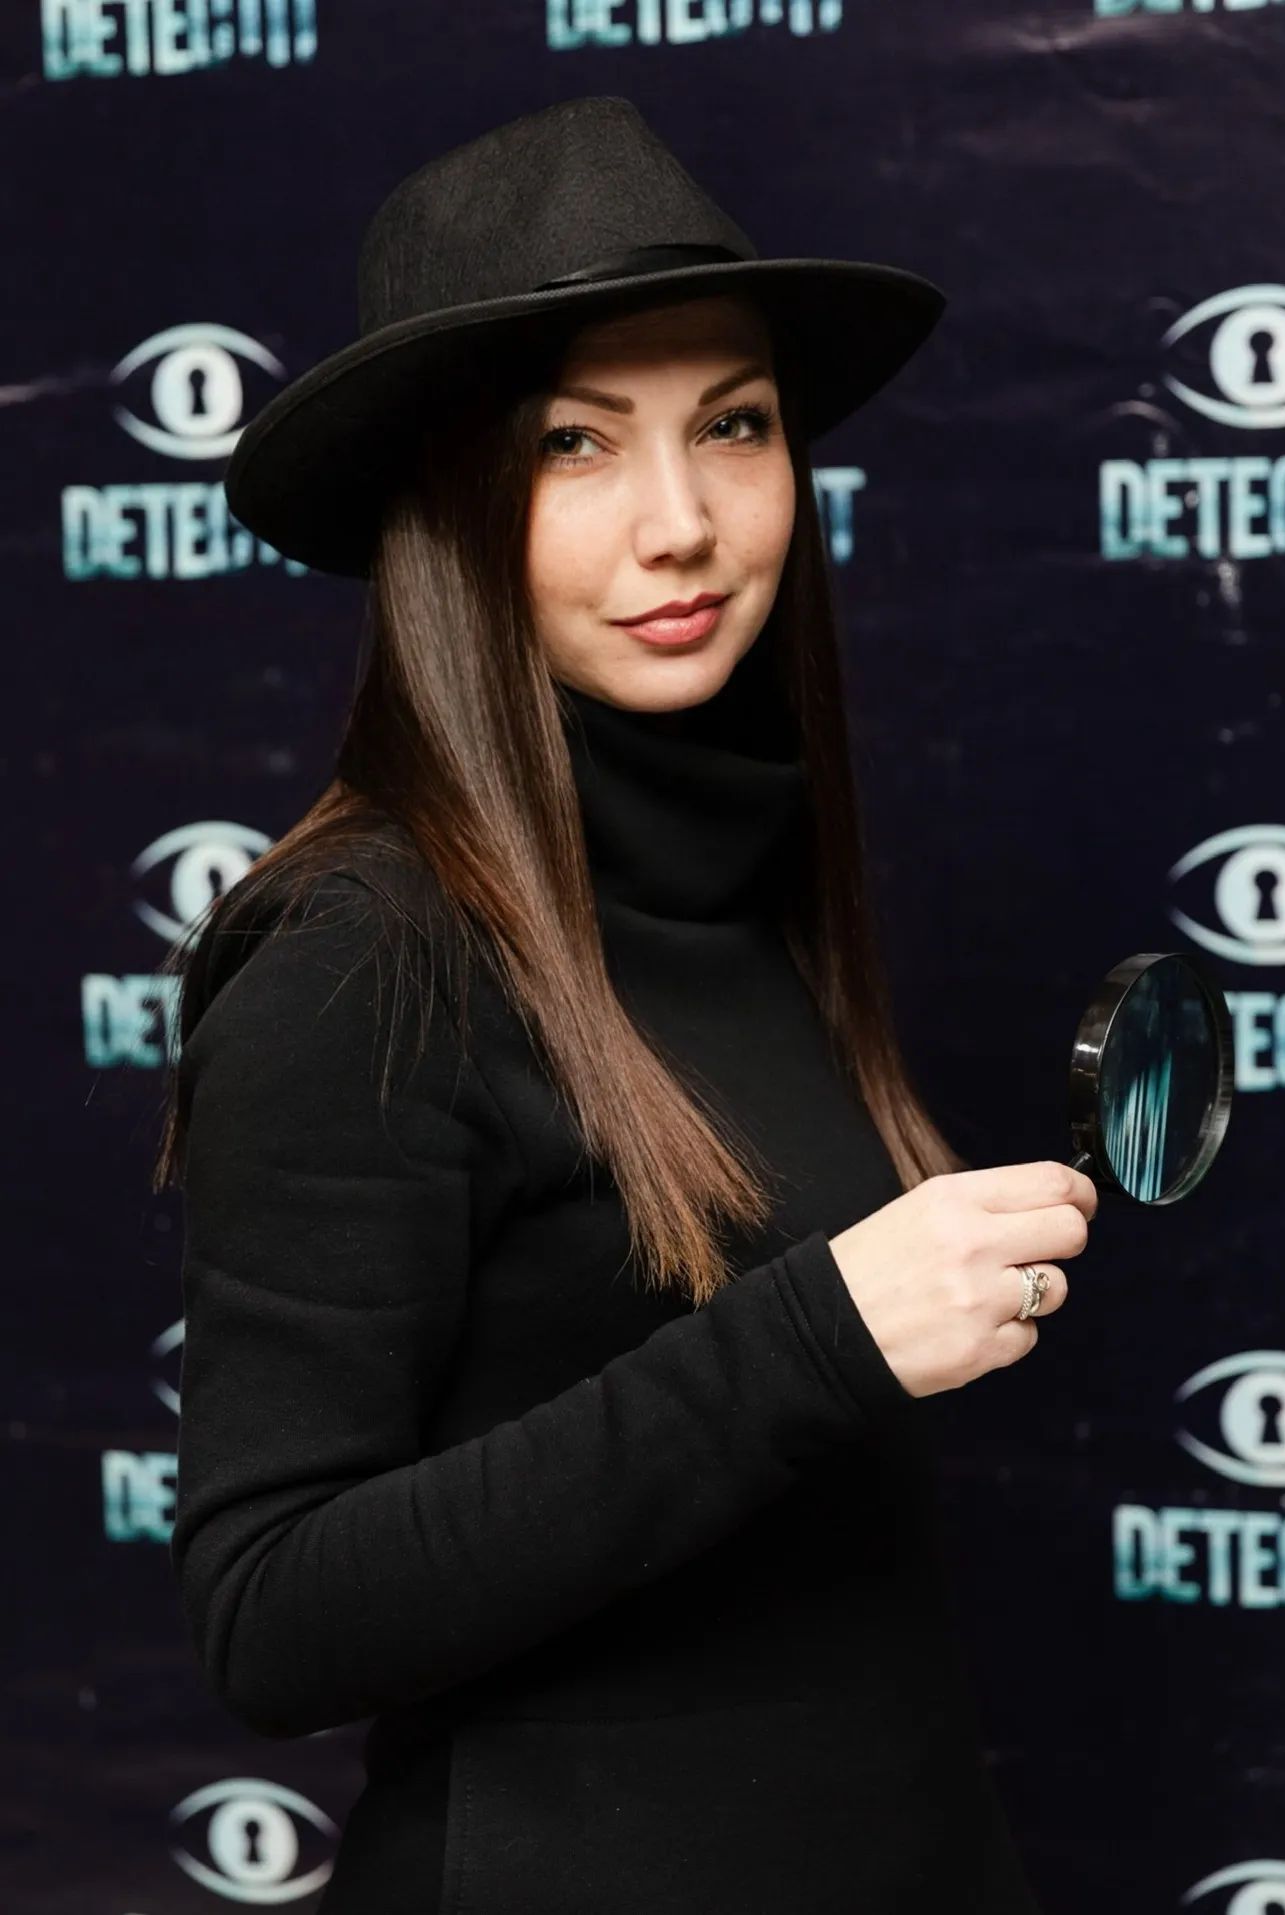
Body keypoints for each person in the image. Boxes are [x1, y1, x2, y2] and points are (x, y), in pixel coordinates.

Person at [154, 96, 1097, 1913]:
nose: (682, 524)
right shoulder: (367, 951)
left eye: (733, 425)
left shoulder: (745, 876)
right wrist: (813, 1337)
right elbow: (272, 1611)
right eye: (575, 444)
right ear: (445, 501)